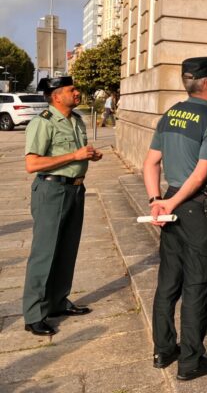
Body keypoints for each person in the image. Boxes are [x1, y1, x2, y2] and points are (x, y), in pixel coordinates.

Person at [143, 57, 207, 381]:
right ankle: (191, 361)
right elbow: (200, 174)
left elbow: (150, 163)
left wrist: (157, 201)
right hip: (196, 208)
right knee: (196, 284)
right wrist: (172, 202)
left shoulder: (169, 115)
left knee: (168, 282)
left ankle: (163, 350)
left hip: (170, 201)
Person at [22, 76, 101, 337]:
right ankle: (34, 314)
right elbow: (32, 164)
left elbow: (76, 155)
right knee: (45, 252)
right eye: (71, 89)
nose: (77, 93)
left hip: (75, 189)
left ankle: (57, 302)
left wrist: (89, 155)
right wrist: (74, 155)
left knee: (67, 248)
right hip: (52, 190)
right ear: (56, 96)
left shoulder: (76, 120)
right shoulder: (43, 122)